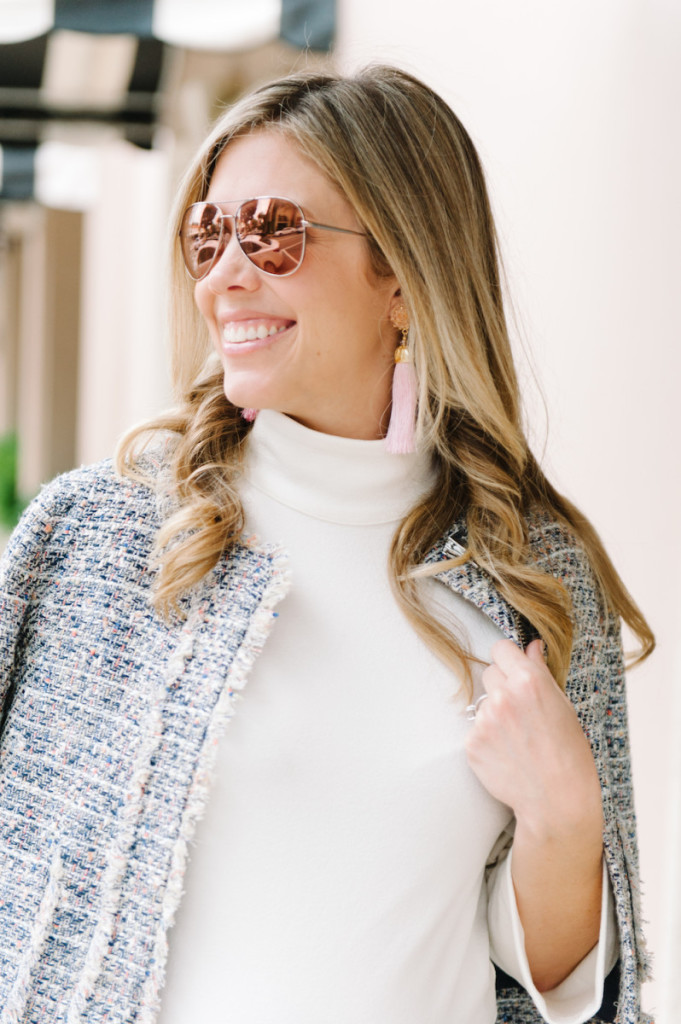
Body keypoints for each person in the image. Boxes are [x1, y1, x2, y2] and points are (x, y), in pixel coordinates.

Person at [0, 66, 654, 1024]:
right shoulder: (98, 540)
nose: (227, 274)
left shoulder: (530, 576)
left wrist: (565, 819)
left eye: (272, 231)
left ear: (401, 273)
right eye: (207, 235)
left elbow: (553, 988)